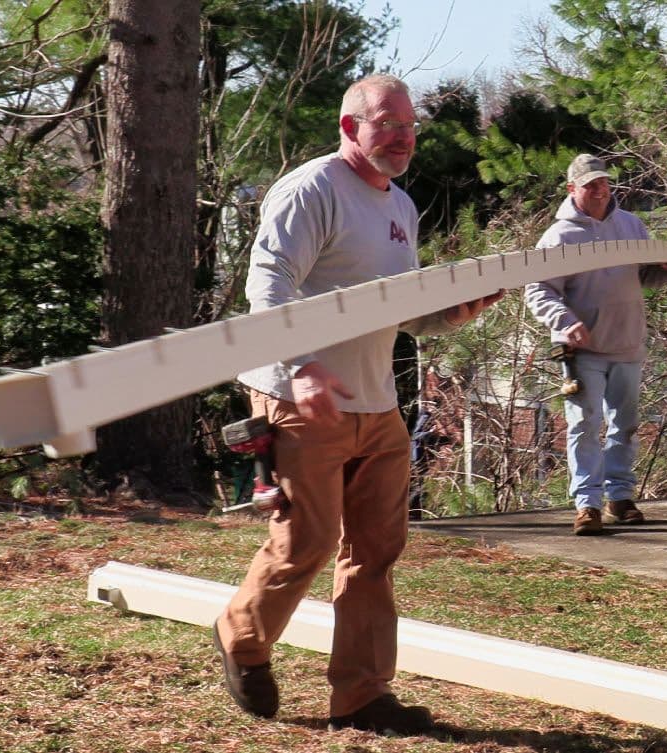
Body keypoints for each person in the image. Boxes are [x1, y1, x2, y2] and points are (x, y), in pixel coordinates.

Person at [213, 73, 502, 735]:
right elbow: (269, 285)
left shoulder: (400, 206)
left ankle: (363, 695)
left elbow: (398, 311)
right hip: (298, 395)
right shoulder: (312, 189)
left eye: (409, 126)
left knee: (375, 548)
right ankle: (241, 633)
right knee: (305, 541)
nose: (402, 137)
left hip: (374, 399)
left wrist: (453, 312)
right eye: (386, 124)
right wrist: (302, 366)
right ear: (350, 128)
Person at [524, 154, 667, 536]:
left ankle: (620, 497)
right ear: (572, 189)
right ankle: (587, 505)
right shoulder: (558, 237)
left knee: (625, 426)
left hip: (628, 343)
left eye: (604, 183)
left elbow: (647, 277)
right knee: (584, 425)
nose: (599, 191)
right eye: (590, 185)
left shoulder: (631, 225)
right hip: (584, 351)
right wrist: (566, 322)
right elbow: (537, 290)